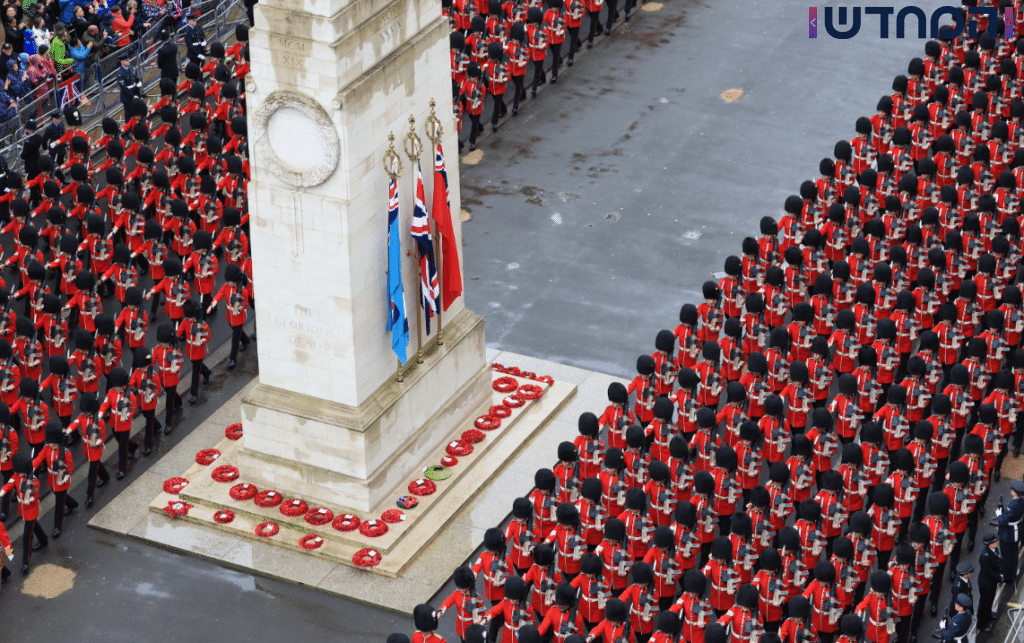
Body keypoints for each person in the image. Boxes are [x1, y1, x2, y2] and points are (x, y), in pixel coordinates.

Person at [0, 453, 47, 573]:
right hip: (23, 509)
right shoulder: (17, 475)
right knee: (34, 527)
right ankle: (43, 539)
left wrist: (29, 500)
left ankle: (26, 562)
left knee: (27, 537)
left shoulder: (33, 480)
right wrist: (2, 492)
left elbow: (36, 495)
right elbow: (9, 485)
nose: (19, 473)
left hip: (31, 510)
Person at [997, 479, 1024, 580]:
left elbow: (1002, 521)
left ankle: (1008, 575)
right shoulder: (1022, 500)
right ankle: (1014, 571)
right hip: (1017, 530)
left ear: (1015, 492)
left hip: (1008, 533)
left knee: (1007, 556)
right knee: (1014, 553)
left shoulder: (1012, 505)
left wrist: (999, 514)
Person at [977, 533, 1003, 632]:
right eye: (995, 541)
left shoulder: (994, 549)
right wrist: (1000, 577)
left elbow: (998, 561)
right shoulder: (985, 556)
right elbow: (989, 572)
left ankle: (988, 615)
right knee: (984, 603)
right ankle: (981, 623)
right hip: (986, 583)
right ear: (989, 544)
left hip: (992, 582)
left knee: (990, 599)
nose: (997, 542)